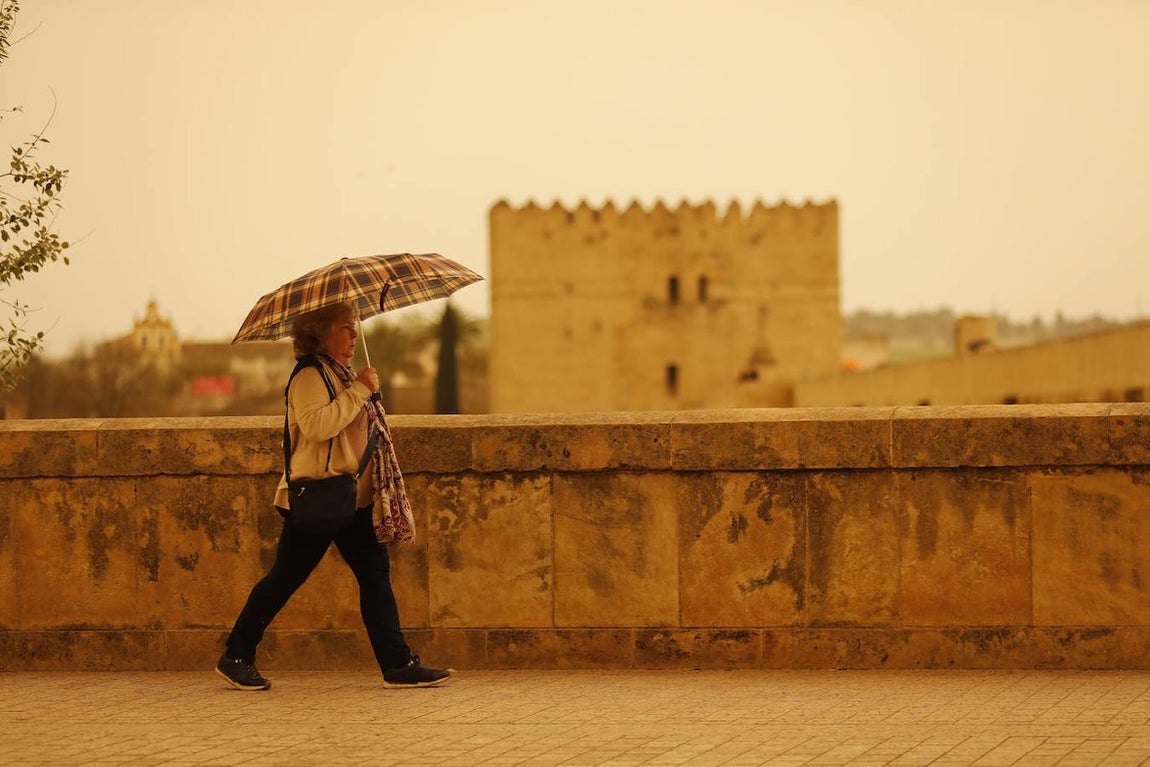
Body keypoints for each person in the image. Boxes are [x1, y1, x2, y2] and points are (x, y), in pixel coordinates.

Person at [216, 301, 451, 690]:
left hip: (351, 498)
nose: (354, 335)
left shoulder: (339, 374)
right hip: (321, 497)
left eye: (354, 327)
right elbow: (316, 426)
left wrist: (363, 391)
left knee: (375, 576)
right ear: (321, 333)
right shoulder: (309, 375)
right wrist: (360, 389)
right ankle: (236, 654)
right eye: (346, 327)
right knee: (284, 579)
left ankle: (398, 663)